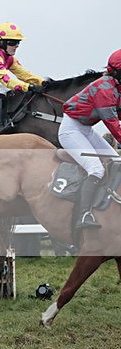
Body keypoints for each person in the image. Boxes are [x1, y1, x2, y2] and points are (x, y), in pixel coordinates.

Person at [58, 49, 121, 229]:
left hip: (86, 130)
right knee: (96, 170)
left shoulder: (116, 86)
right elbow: (112, 123)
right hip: (71, 131)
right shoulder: (104, 88)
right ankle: (82, 215)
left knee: (116, 161)